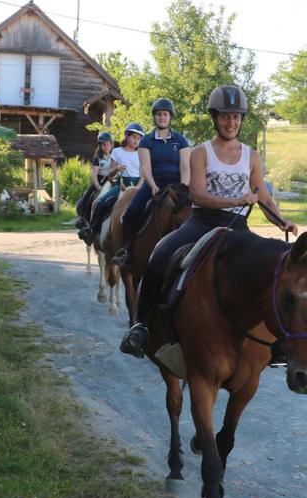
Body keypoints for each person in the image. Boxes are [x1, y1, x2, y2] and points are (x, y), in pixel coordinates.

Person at [119, 84, 298, 358]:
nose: (231, 122)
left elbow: (261, 195)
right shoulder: (201, 152)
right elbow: (198, 195)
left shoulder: (251, 156)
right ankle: (140, 326)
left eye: (236, 116)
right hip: (202, 222)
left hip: (238, 227)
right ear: (215, 118)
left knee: (269, 272)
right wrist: (237, 201)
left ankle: (278, 341)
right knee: (160, 254)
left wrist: (281, 221)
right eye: (225, 116)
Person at [113, 98, 191, 266]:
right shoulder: (146, 141)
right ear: (154, 117)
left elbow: (185, 166)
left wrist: (184, 188)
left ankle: (195, 252)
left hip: (178, 186)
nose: (162, 117)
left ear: (170, 117)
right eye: (158, 114)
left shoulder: (180, 140)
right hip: (153, 185)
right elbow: (146, 168)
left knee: (196, 213)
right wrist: (153, 186)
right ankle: (126, 251)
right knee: (130, 214)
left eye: (165, 114)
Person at [89, 122, 144, 236]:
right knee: (99, 202)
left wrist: (137, 187)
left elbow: (144, 174)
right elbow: (110, 174)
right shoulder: (117, 151)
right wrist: (117, 169)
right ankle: (93, 232)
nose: (136, 141)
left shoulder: (142, 153)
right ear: (126, 135)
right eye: (133, 137)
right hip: (120, 186)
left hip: (138, 186)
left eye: (139, 138)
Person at [77, 132, 114, 221]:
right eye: (104, 145)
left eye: (108, 144)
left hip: (111, 180)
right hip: (99, 180)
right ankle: (83, 216)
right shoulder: (97, 158)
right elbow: (94, 174)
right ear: (100, 146)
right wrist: (98, 186)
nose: (106, 147)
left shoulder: (114, 156)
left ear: (111, 145)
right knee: (87, 195)